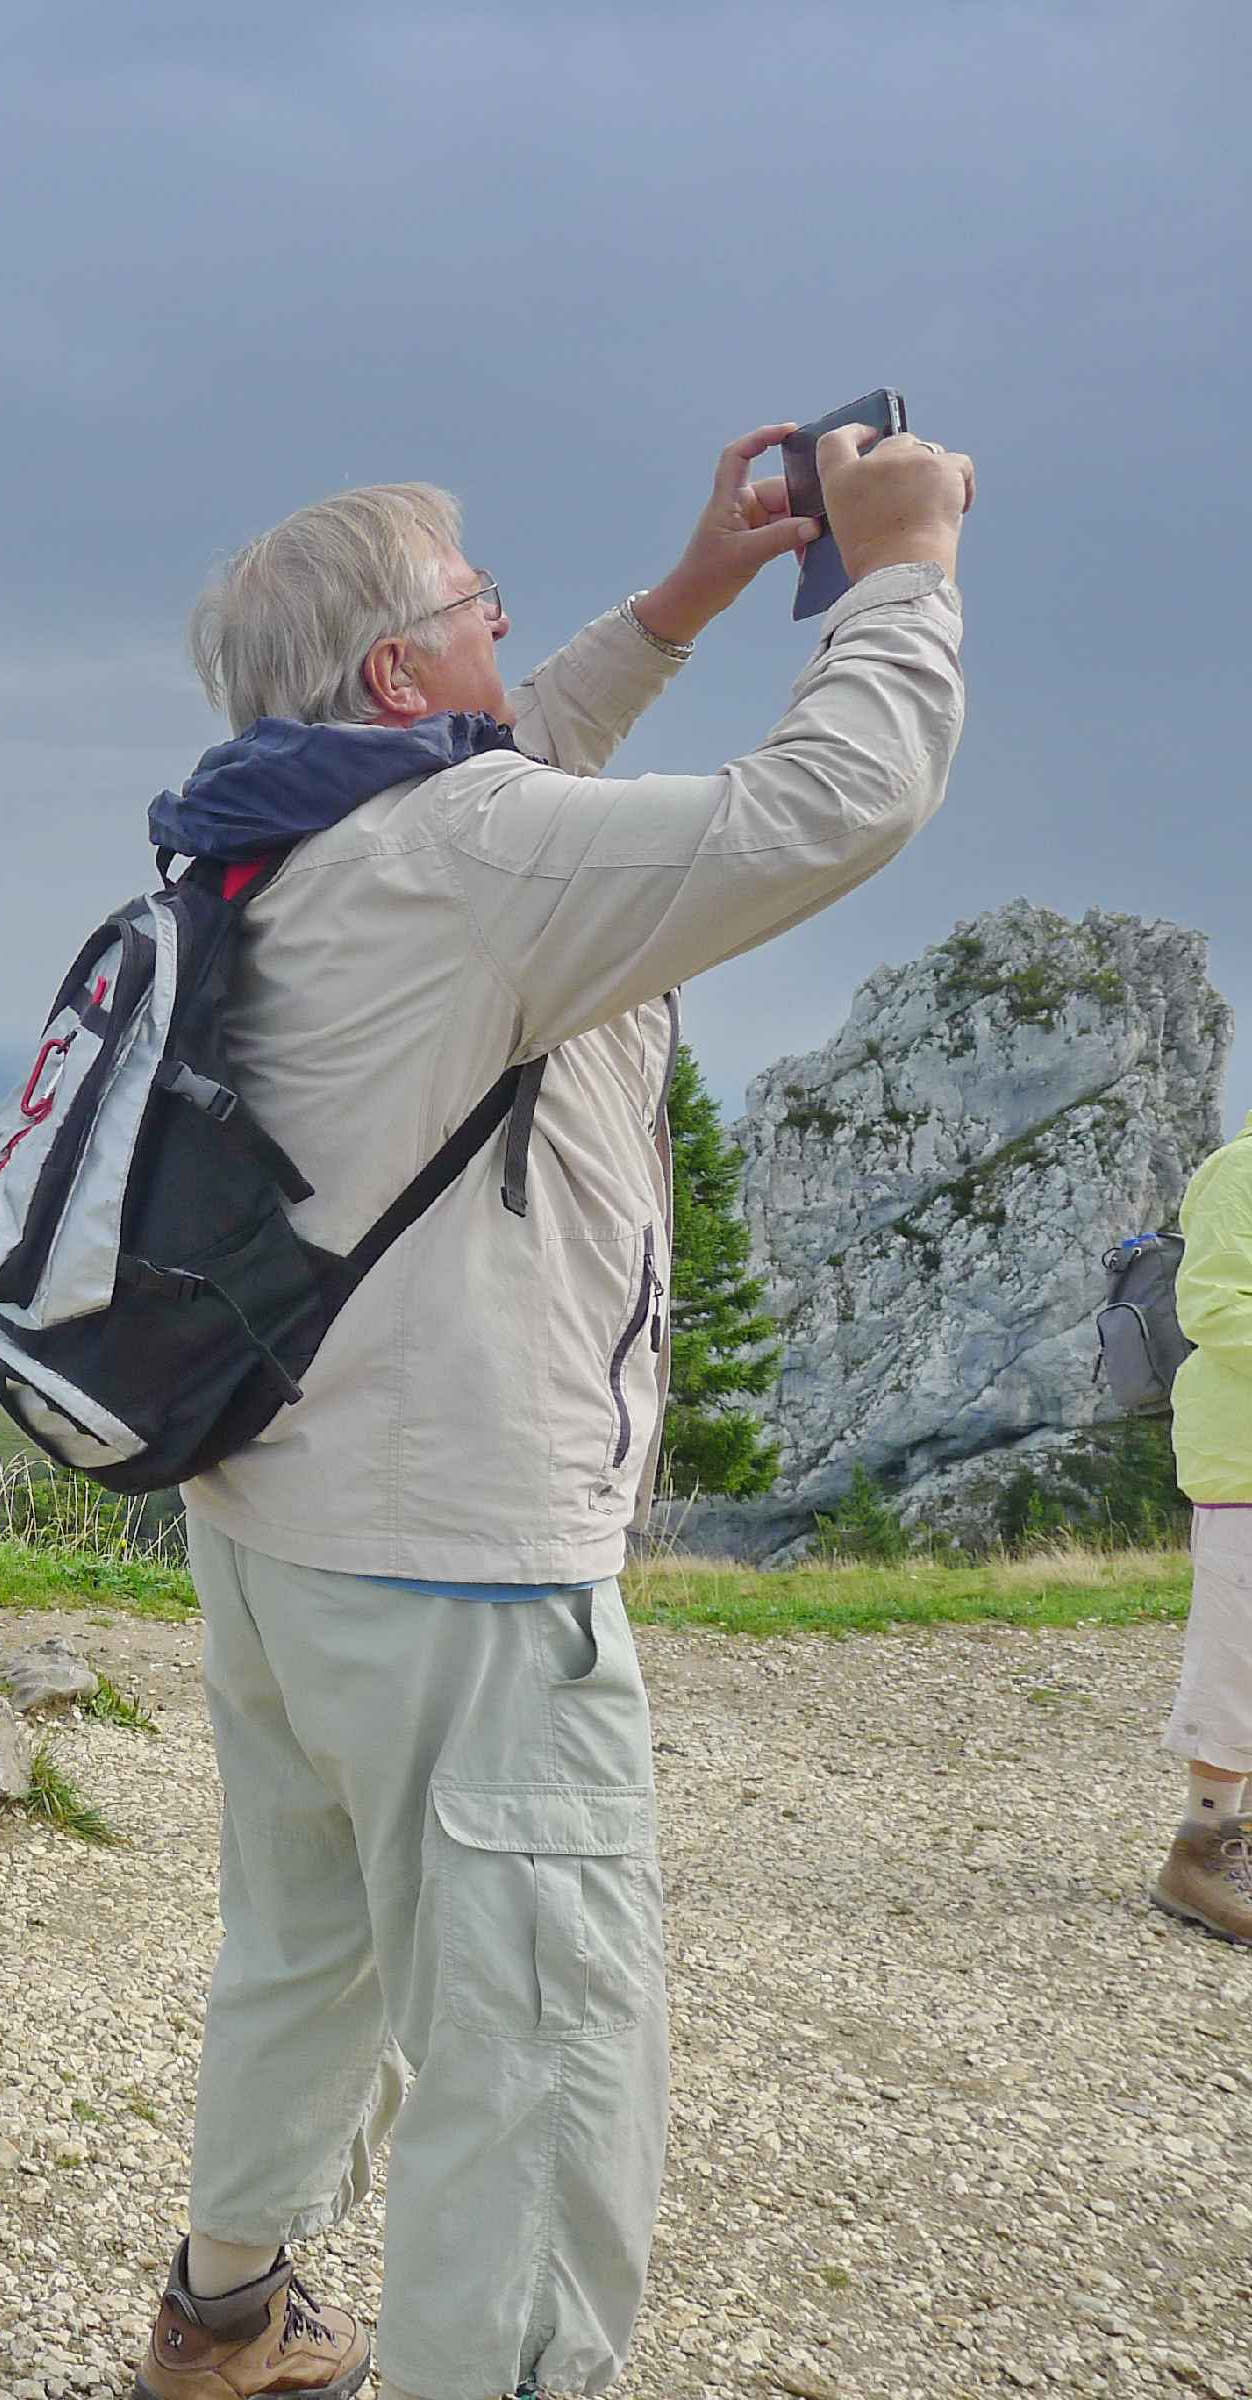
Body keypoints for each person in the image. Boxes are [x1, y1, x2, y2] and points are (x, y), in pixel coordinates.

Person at [128, 420, 976, 2400]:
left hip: (278, 1513)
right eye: (480, 606)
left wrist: (683, 599)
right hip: (460, 1559)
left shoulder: (282, 832)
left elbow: (510, 769)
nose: (507, 631)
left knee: (308, 1941)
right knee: (536, 2051)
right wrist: (904, 571)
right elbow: (835, 800)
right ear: (399, 671)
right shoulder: (465, 855)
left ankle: (226, 2310)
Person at [1156, 1113, 1252, 1944]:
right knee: (1237, 1663)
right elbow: (1213, 1305)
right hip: (1243, 1461)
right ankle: (1202, 1853)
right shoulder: (1240, 1171)